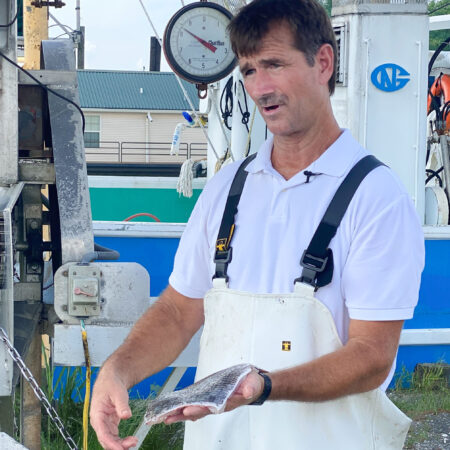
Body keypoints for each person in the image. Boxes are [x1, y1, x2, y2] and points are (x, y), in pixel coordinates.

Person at [90, 0, 424, 449]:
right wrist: (118, 370)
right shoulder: (229, 188)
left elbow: (371, 357)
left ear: (323, 62)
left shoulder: (376, 198)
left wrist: (264, 386)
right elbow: (177, 311)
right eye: (248, 70)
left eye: (273, 64)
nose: (260, 87)